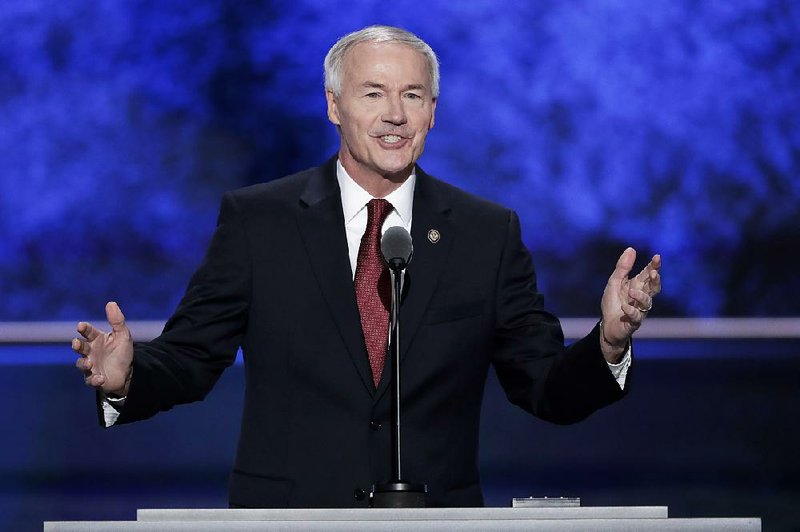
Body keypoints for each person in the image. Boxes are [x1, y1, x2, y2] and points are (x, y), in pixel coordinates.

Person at [72, 25, 661, 508]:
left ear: (433, 111)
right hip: (290, 521)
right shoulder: (261, 222)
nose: (395, 115)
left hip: (436, 521)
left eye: (412, 95)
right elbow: (192, 357)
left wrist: (608, 344)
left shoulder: (486, 233)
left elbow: (544, 388)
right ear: (333, 105)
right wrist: (128, 377)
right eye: (373, 93)